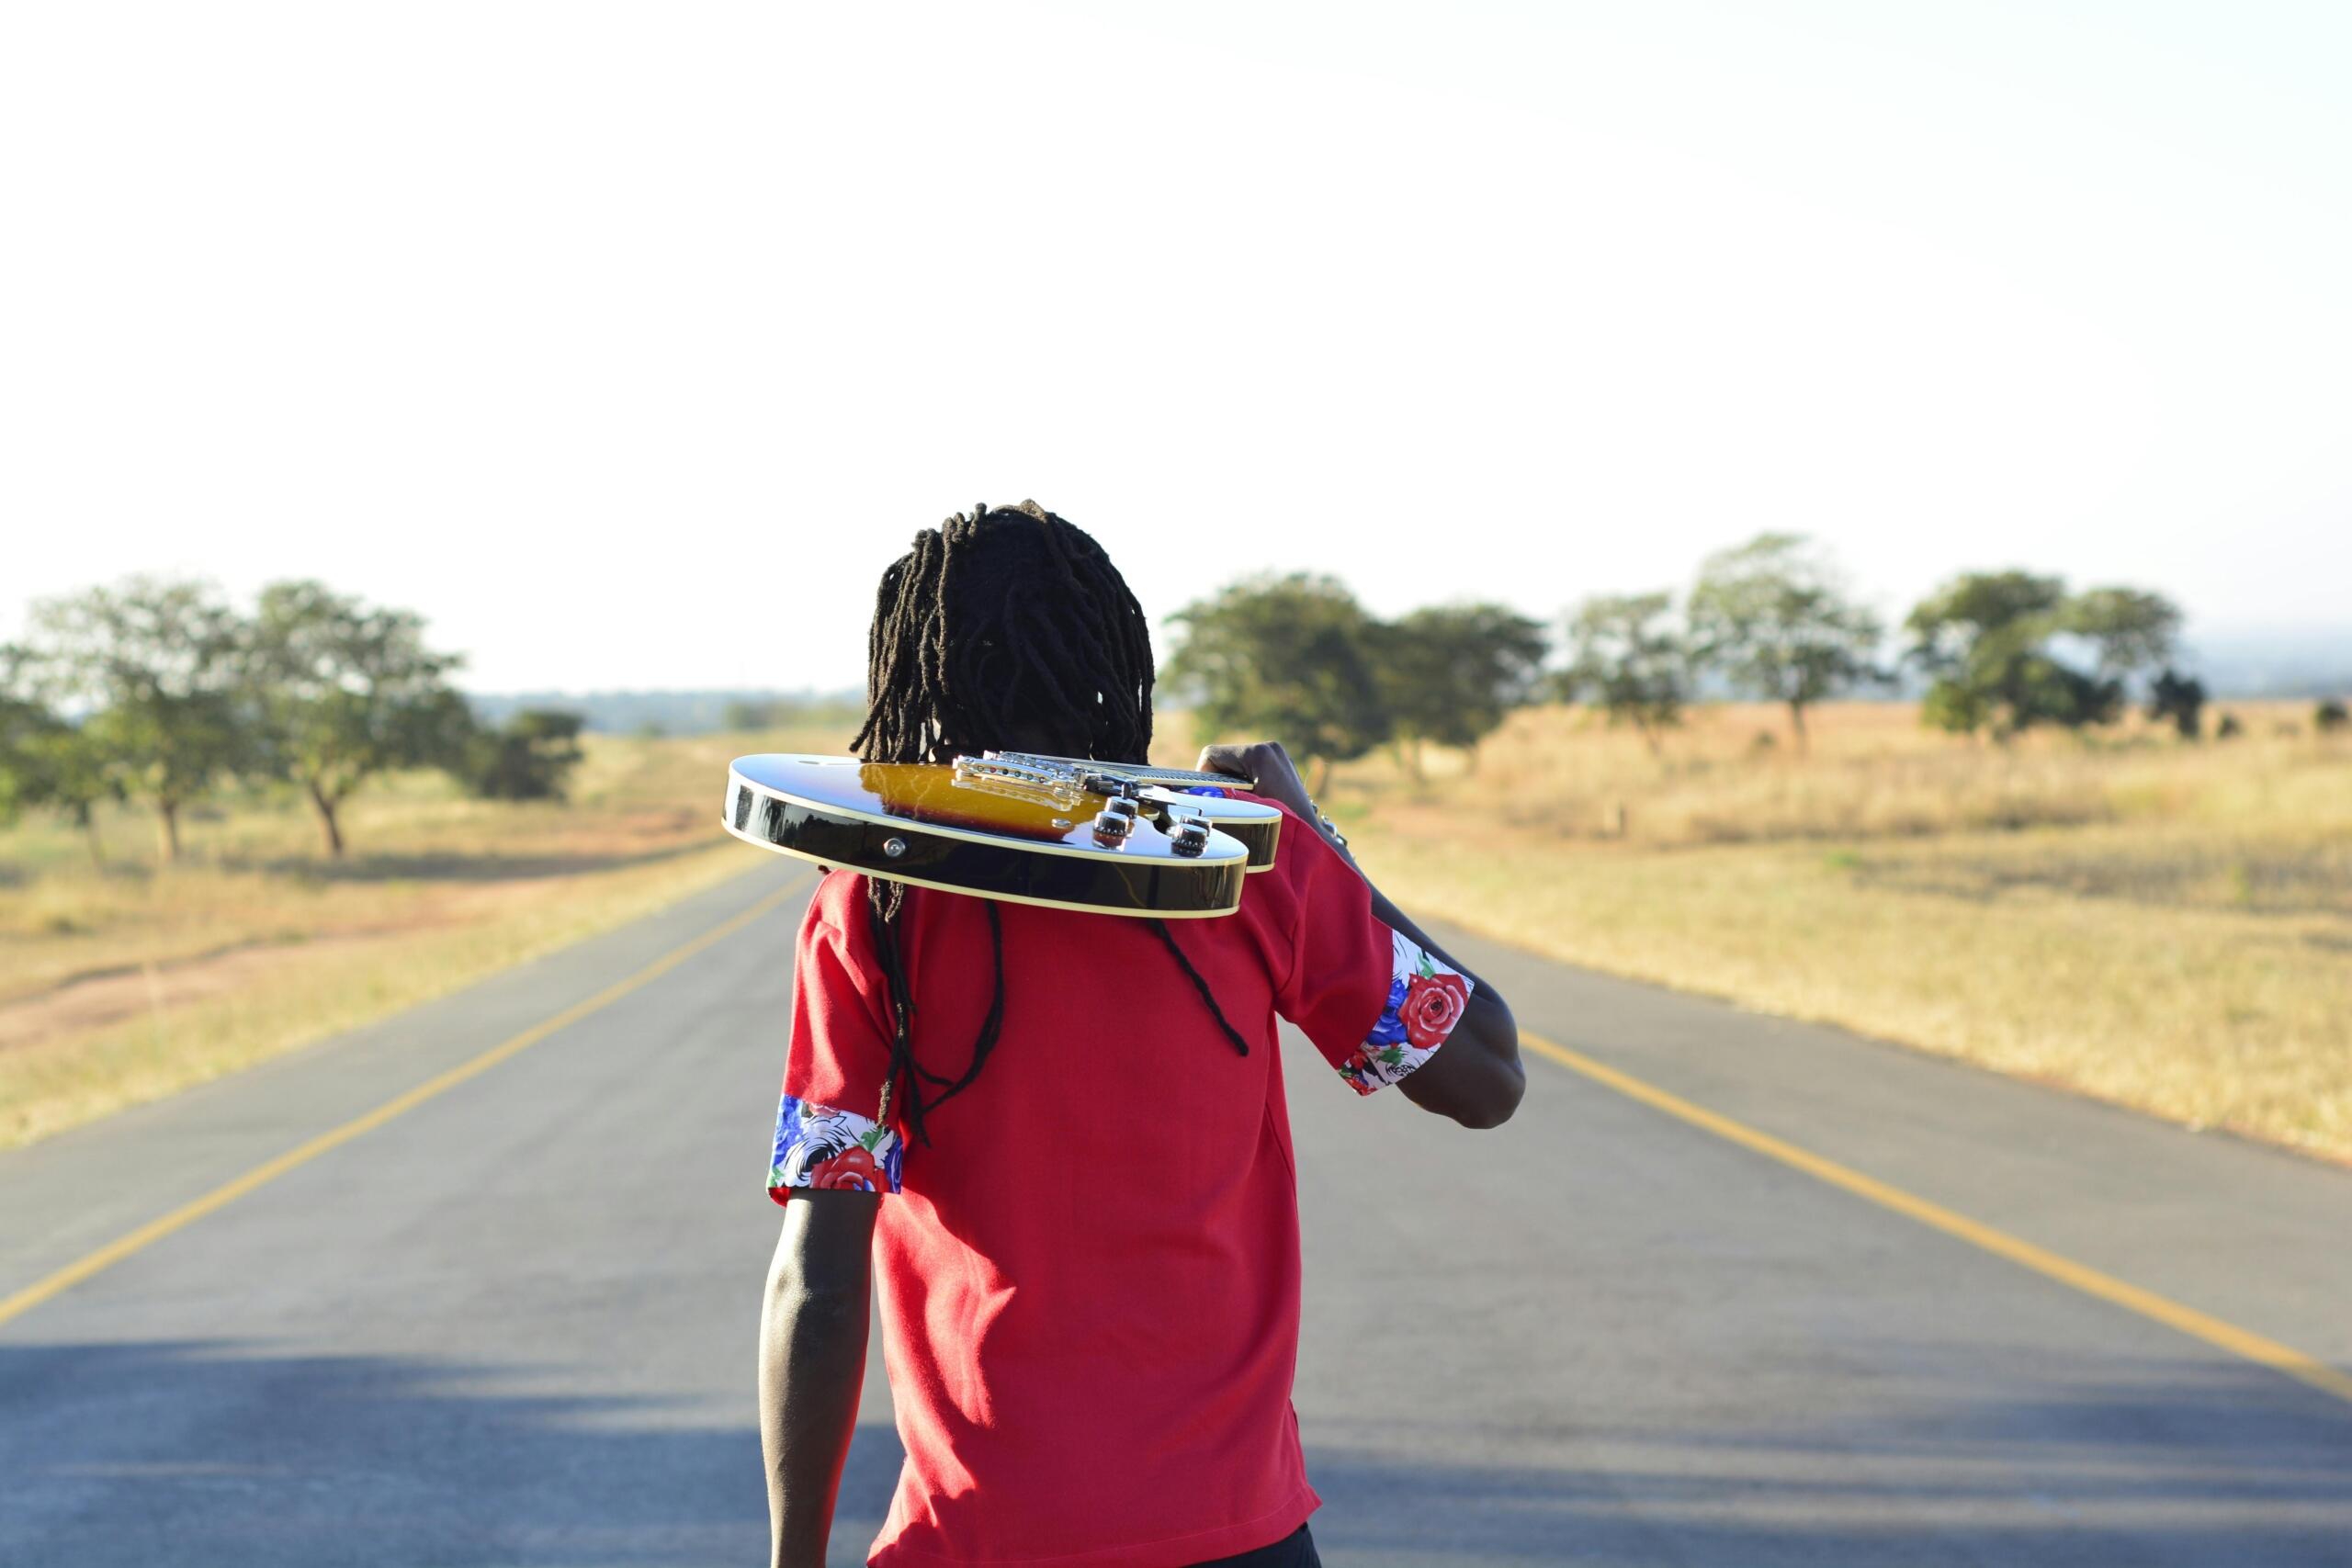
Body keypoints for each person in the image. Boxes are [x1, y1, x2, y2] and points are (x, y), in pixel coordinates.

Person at [758, 502, 1523, 1568]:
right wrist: (1318, 843)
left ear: (916, 674)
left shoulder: (870, 910)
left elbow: (821, 1277)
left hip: (979, 1538)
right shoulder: (1250, 869)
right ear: (1113, 660)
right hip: (1236, 1536)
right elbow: (1485, 1077)